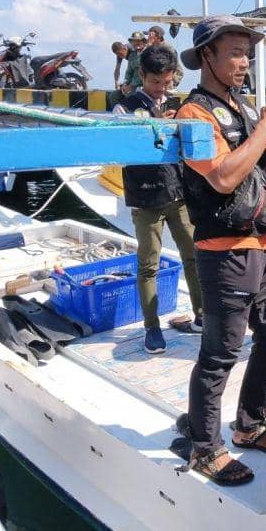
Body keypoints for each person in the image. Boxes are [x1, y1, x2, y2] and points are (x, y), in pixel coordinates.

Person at [175, 15, 266, 485]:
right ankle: (206, 447)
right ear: (206, 55)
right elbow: (223, 177)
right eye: (234, 52)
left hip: (265, 239)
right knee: (221, 350)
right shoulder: (194, 114)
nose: (244, 62)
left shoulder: (243, 107)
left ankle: (249, 423)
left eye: (247, 52)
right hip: (225, 248)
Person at [113, 45, 204, 353]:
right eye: (156, 83)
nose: (162, 89)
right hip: (146, 199)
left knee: (193, 256)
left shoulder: (179, 104)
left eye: (167, 82)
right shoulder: (125, 108)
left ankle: (202, 315)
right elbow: (122, 150)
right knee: (148, 264)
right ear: (142, 75)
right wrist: (155, 126)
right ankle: (152, 328)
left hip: (178, 194)